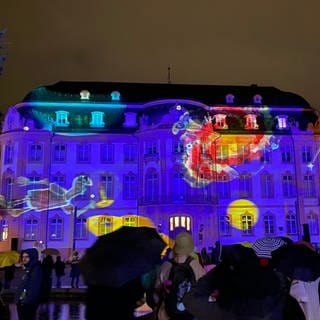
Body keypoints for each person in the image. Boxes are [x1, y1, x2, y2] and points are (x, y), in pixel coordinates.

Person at [153, 231, 206, 320]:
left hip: (168, 313)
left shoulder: (166, 265)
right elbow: (204, 289)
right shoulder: (195, 265)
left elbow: (156, 294)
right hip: (191, 313)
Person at [15, 248, 43, 320]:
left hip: (27, 303)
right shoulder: (29, 268)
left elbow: (34, 287)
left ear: (32, 257)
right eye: (23, 257)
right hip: (24, 302)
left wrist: (25, 301)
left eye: (27, 257)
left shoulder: (36, 269)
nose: (24, 259)